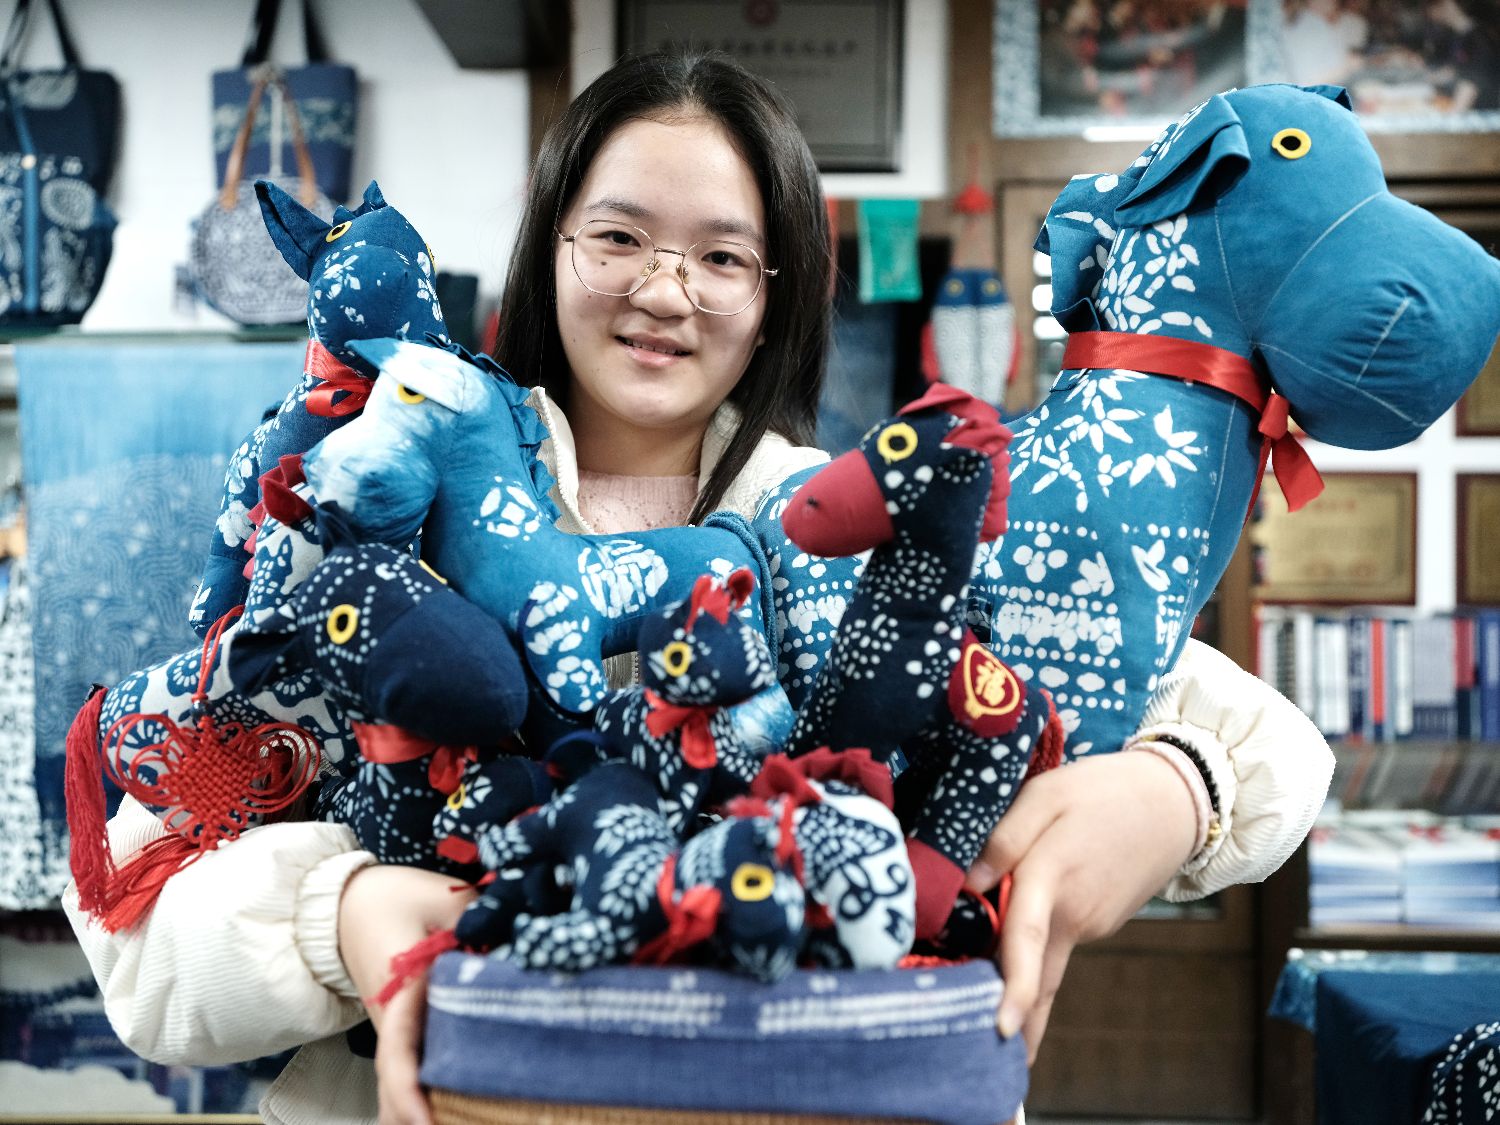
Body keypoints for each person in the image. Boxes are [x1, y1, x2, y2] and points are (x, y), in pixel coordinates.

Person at [63, 50, 1332, 1125]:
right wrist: (347, 911)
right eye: (618, 237)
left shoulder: (847, 525)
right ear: (549, 249)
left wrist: (1172, 793)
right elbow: (143, 959)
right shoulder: (378, 495)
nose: (665, 291)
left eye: (724, 256)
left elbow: (1272, 744)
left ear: (776, 294)